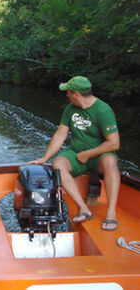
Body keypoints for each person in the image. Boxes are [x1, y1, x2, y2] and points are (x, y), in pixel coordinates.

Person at [30, 76, 120, 231]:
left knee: (111, 161)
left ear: (77, 94)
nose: (67, 95)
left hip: (99, 156)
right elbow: (60, 135)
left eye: (69, 92)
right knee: (58, 163)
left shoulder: (103, 110)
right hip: (76, 154)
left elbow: (114, 143)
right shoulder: (70, 109)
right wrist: (45, 157)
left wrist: (89, 154)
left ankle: (111, 213)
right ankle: (83, 209)